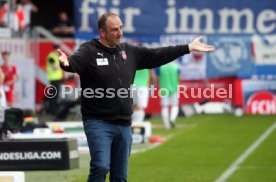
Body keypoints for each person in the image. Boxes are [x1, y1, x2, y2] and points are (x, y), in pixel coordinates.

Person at [57, 12, 215, 182]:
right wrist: (66, 63)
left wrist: (188, 48)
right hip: (98, 122)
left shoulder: (129, 51)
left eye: (121, 28)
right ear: (102, 32)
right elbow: (73, 63)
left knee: (120, 177)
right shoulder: (89, 51)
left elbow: (157, 55)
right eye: (114, 30)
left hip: (124, 124)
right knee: (101, 166)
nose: (120, 33)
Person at [156, 61, 181, 129]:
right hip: (174, 89)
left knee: (164, 107)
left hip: (163, 89)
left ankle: (166, 125)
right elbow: (180, 78)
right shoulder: (176, 66)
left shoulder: (160, 66)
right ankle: (172, 118)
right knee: (174, 106)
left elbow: (156, 77)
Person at [45, 44, 64, 116]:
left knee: (55, 96)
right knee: (53, 96)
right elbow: (55, 67)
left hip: (57, 79)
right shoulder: (51, 57)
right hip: (53, 79)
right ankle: (53, 112)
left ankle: (53, 111)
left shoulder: (56, 57)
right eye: (59, 49)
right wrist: (61, 63)